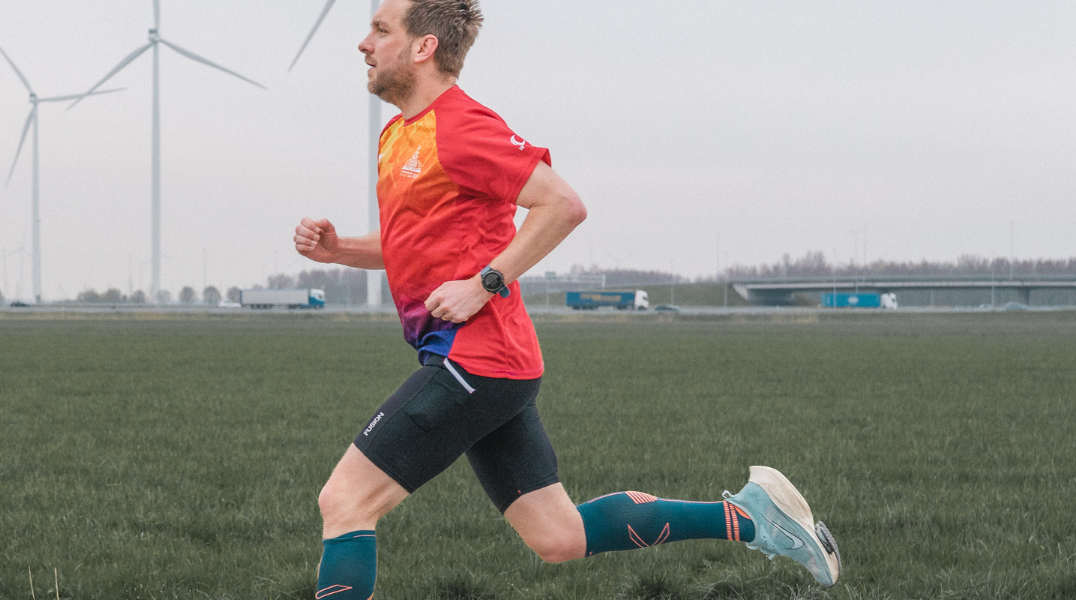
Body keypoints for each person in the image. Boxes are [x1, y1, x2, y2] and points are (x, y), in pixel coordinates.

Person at [291, 1, 841, 596]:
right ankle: (753, 517)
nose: (363, 44)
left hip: (474, 362)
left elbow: (562, 205)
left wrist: (484, 284)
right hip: (487, 365)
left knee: (345, 500)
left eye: (379, 30)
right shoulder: (399, 136)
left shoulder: (461, 126)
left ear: (423, 47)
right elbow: (414, 242)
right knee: (558, 536)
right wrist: (341, 249)